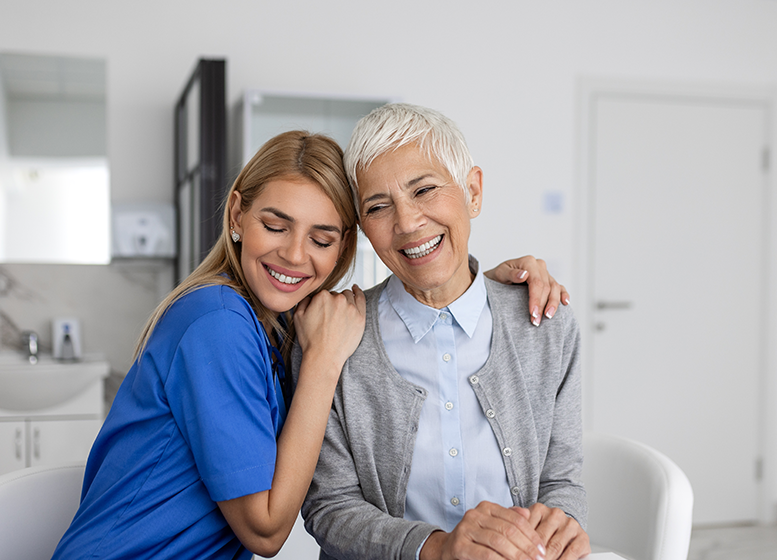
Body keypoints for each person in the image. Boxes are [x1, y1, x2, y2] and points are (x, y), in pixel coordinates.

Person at [51, 130, 568, 560]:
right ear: (236, 216)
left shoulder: (274, 325)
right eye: (275, 225)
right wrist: (323, 361)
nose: (295, 255)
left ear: (344, 247)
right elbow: (267, 530)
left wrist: (478, 293)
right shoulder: (219, 323)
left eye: (321, 240)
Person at [299, 104, 590, 560]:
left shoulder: (546, 326)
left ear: (473, 192)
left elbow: (561, 481)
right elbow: (329, 507)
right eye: (378, 206)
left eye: (425, 190)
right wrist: (436, 549)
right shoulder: (335, 340)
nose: (408, 222)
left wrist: (563, 525)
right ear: (363, 231)